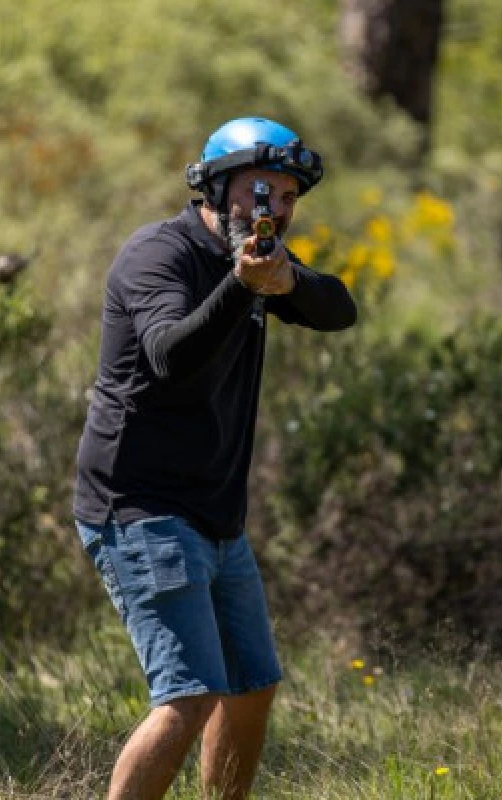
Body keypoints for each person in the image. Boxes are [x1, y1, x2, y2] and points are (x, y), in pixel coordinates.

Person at [73, 116, 357, 800]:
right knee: (189, 697)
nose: (277, 211)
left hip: (216, 515)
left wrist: (282, 284)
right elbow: (171, 355)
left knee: (253, 687)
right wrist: (243, 287)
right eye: (263, 193)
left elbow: (340, 308)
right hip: (140, 507)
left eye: (288, 198)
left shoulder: (259, 259)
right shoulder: (157, 256)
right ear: (215, 185)